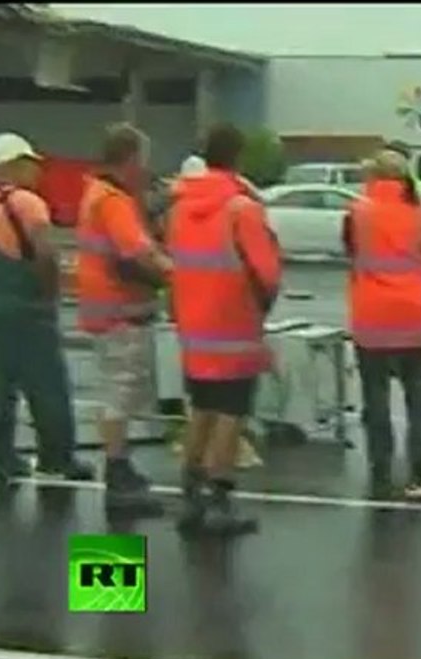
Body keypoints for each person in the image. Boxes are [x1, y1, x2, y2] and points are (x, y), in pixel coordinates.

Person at [0, 133, 93, 485]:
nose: (36, 171)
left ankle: (3, 459)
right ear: (13, 165)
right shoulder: (27, 203)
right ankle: (57, 458)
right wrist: (50, 294)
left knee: (0, 385)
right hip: (27, 306)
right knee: (47, 383)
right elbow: (44, 255)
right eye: (31, 164)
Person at [168, 123, 282, 534]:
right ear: (238, 157)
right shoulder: (241, 209)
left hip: (194, 327)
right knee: (231, 414)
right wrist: (262, 305)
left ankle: (191, 493)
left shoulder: (181, 207)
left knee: (201, 409)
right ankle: (219, 497)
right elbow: (266, 272)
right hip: (234, 325)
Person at [76, 123, 173, 515]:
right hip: (120, 313)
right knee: (119, 391)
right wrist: (177, 274)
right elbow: (138, 252)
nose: (145, 168)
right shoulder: (113, 200)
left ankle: (120, 466)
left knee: (118, 390)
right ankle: (117, 476)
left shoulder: (97, 193)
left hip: (107, 311)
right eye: (143, 160)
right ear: (131, 159)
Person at [342, 150, 421, 501]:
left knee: (376, 397)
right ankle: (420, 470)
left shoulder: (358, 211)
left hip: (371, 314)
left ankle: (381, 469)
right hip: (412, 313)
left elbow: (351, 252)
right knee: (417, 399)